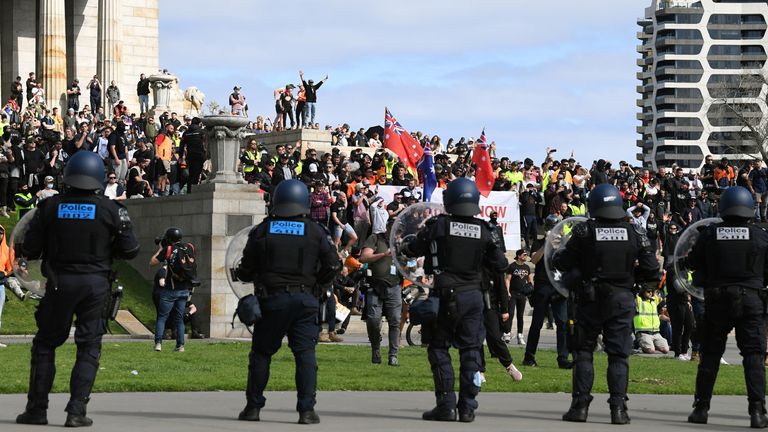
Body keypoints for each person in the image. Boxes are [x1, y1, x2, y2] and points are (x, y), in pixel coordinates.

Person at [15, 151, 140, 427]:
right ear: (98, 176)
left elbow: (30, 248)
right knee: (89, 346)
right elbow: (131, 250)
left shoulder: (50, 207)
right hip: (95, 284)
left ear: (68, 175)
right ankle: (76, 412)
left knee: (46, 344)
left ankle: (37, 409)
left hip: (59, 282)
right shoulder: (112, 210)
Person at [234, 179, 341, 424]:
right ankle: (306, 411)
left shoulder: (263, 229)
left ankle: (253, 408)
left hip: (271, 299)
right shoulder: (315, 231)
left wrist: (248, 275)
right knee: (305, 354)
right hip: (305, 300)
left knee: (261, 354)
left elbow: (246, 268)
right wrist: (318, 284)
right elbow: (333, 265)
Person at [402, 178, 508, 423]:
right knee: (471, 351)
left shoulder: (438, 226)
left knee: (439, 348)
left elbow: (412, 248)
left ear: (449, 200)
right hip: (474, 297)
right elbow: (501, 263)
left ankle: (446, 404)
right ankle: (468, 407)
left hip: (445, 294)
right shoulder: (484, 229)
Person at [555, 183, 659, 425]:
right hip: (622, 299)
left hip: (590, 299)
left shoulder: (584, 232)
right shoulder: (634, 233)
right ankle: (618, 410)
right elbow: (652, 269)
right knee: (619, 356)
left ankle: (580, 407)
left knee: (583, 352)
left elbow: (563, 262)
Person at [686, 186, 768, 428]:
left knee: (710, 356)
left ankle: (701, 409)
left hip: (717, 299)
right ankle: (757, 412)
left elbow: (692, 263)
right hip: (751, 300)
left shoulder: (710, 234)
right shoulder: (761, 235)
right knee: (753, 357)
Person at [523, 215, 572, 369]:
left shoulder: (565, 244)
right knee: (537, 323)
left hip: (559, 286)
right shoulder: (539, 242)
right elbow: (534, 260)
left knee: (562, 323)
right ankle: (529, 357)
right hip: (543, 286)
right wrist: (546, 244)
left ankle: (562, 358)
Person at [360, 218, 402, 366]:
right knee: (373, 320)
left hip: (395, 286)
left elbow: (410, 263)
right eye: (394, 227)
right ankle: (376, 349)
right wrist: (383, 255)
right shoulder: (376, 238)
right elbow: (364, 257)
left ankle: (393, 355)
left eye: (399, 228)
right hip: (376, 286)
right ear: (388, 226)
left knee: (395, 321)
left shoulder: (401, 242)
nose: (397, 231)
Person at [150, 228, 196, 352]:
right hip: (184, 290)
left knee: (162, 317)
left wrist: (161, 249)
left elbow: (152, 262)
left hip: (170, 289)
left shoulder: (169, 249)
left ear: (169, 238)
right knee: (179, 318)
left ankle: (158, 344)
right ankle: (180, 346)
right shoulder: (190, 247)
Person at [633, 286, 669, 355]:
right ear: (643, 292)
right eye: (648, 291)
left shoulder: (653, 302)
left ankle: (650, 344)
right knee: (651, 351)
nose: (650, 293)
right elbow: (634, 293)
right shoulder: (639, 301)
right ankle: (639, 343)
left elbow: (658, 314)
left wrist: (668, 319)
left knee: (666, 350)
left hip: (656, 333)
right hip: (643, 333)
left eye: (651, 292)